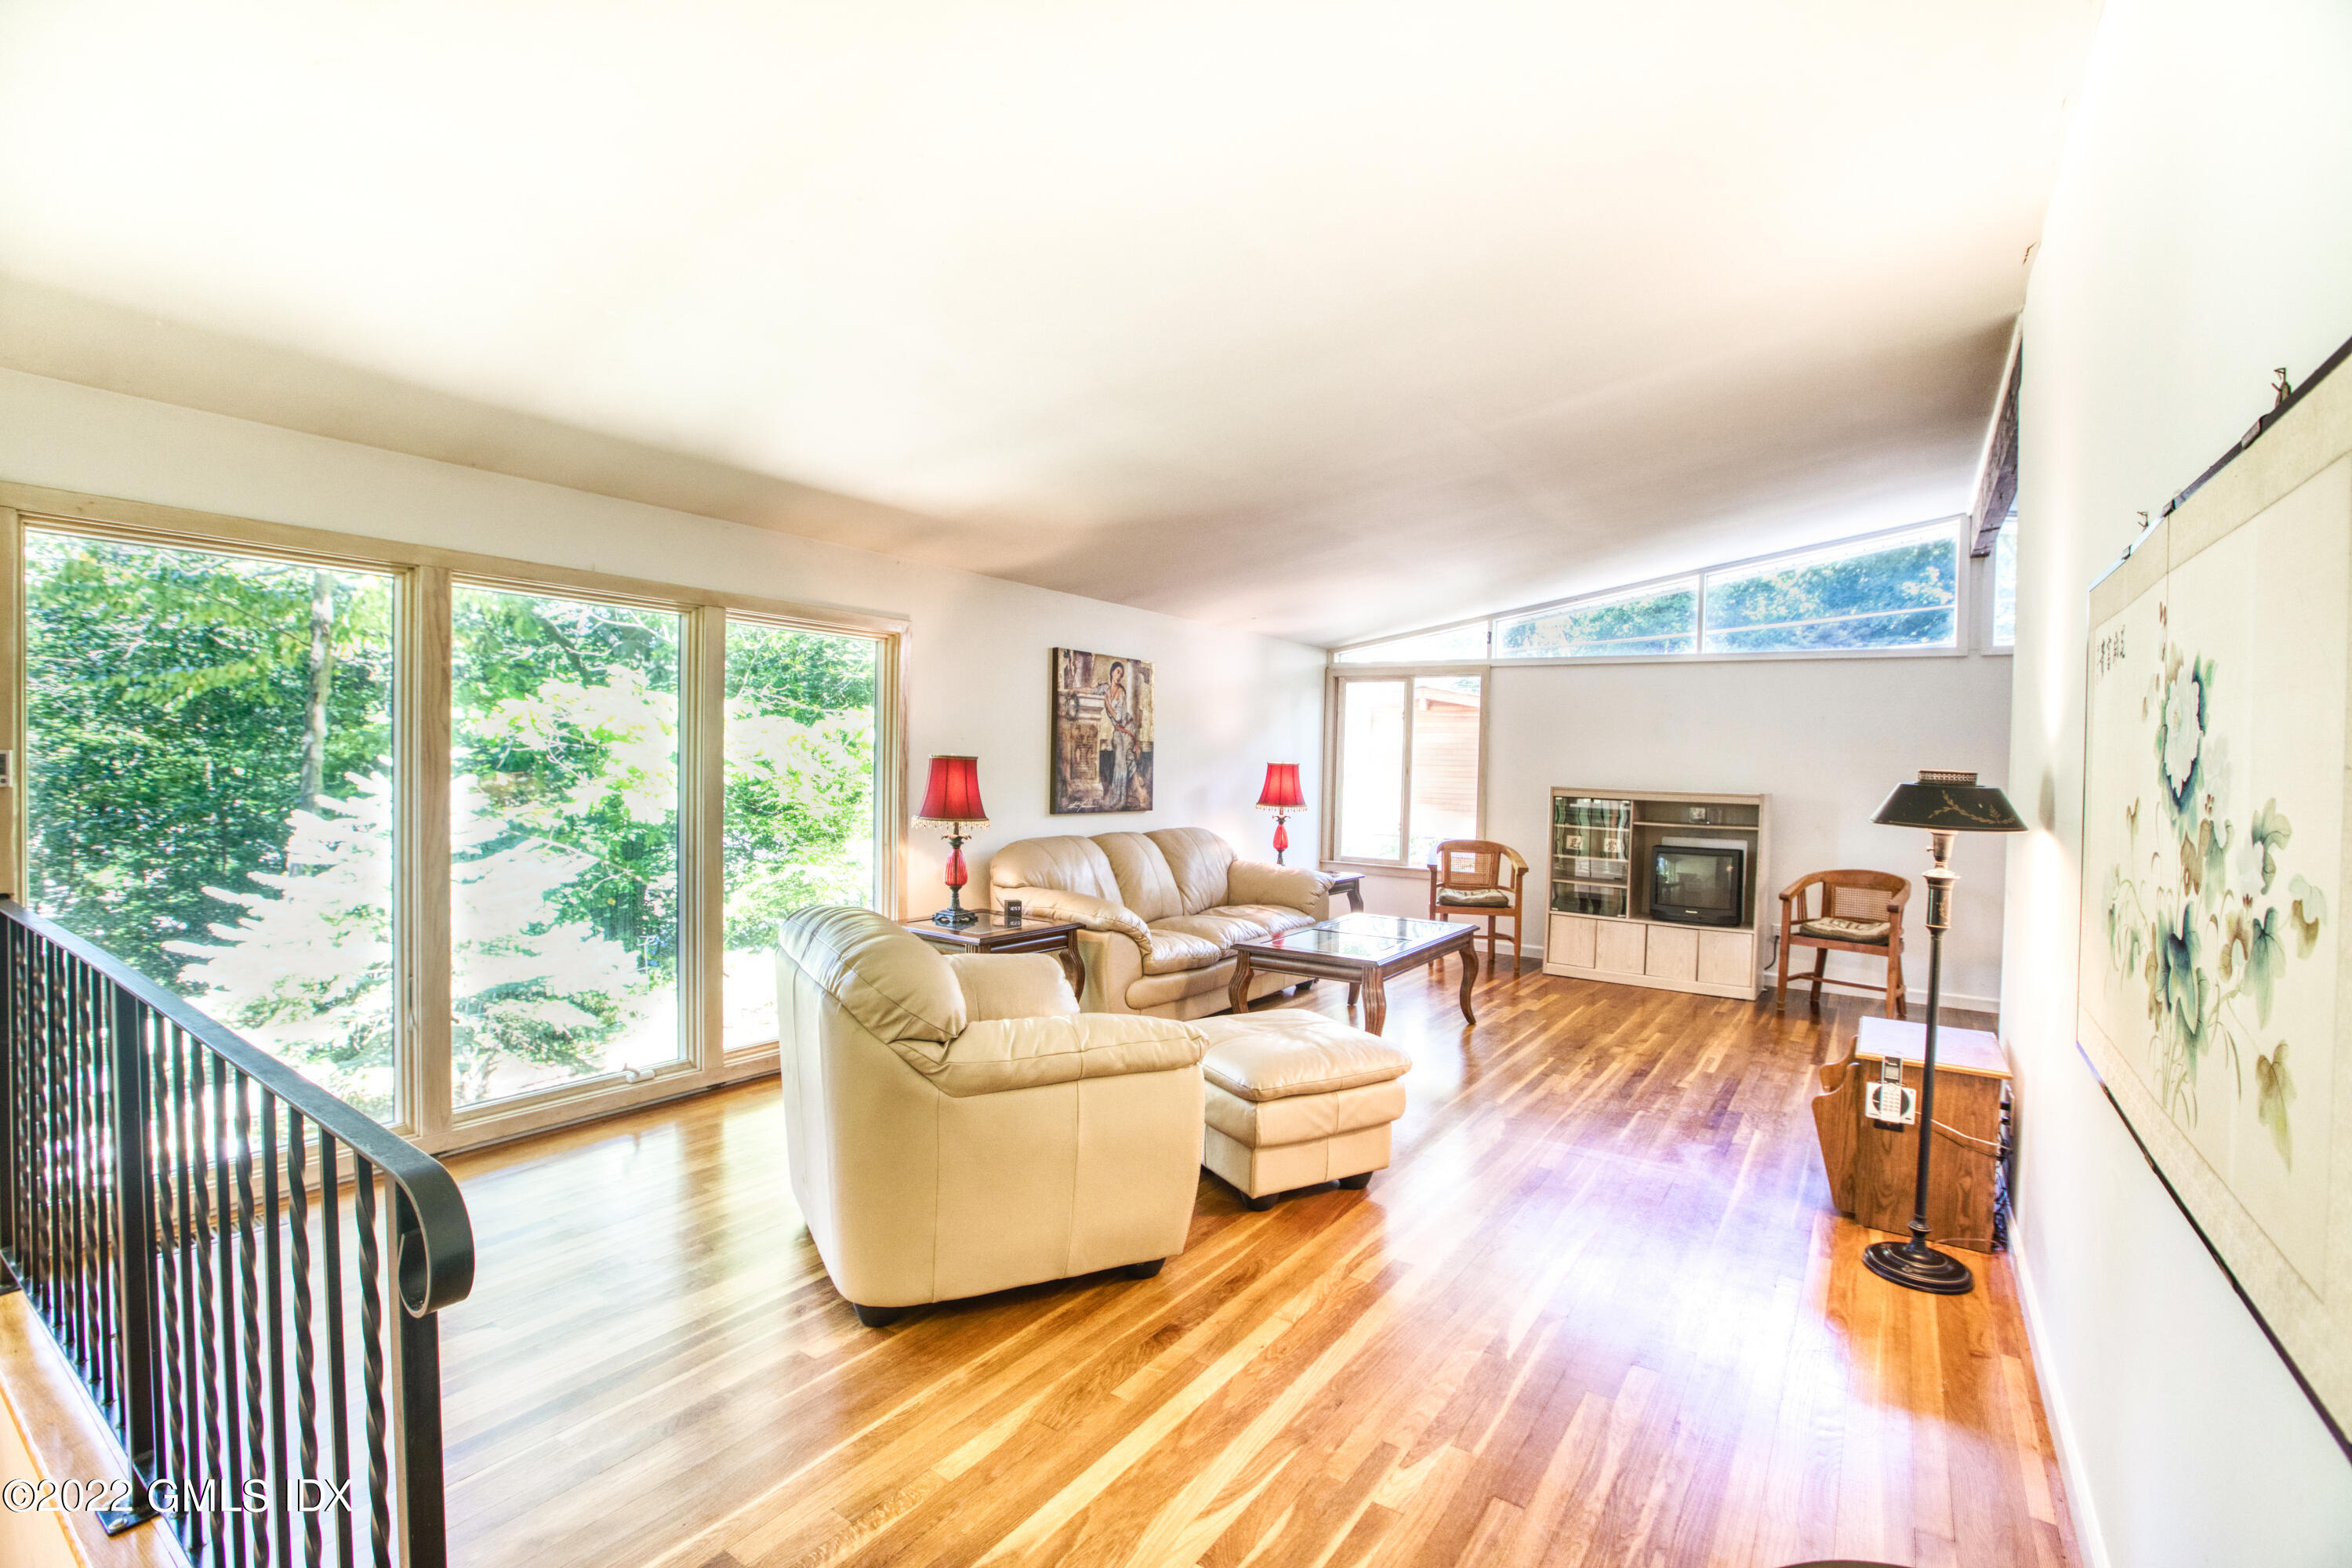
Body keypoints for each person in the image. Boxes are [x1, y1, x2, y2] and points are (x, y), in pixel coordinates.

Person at [1103, 661, 1139, 809]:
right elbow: (1091, 690)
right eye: (1118, 672)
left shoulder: (1122, 692)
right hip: (1119, 729)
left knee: (1122, 758)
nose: (1119, 676)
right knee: (1122, 757)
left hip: (1128, 728)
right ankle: (1123, 794)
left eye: (1122, 674)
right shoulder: (1105, 688)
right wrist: (1073, 691)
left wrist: (1107, 701)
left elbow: (1118, 717)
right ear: (1112, 672)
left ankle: (1121, 798)